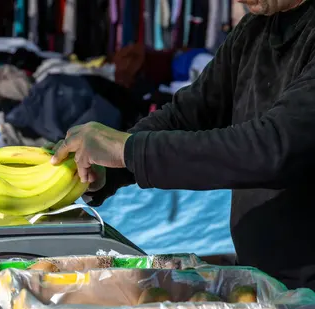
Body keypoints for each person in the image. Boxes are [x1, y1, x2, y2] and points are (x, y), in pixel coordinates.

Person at [51, 0, 315, 290]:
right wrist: (109, 168)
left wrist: (129, 150)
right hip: (268, 282)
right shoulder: (255, 28)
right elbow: (191, 113)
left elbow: (272, 147)